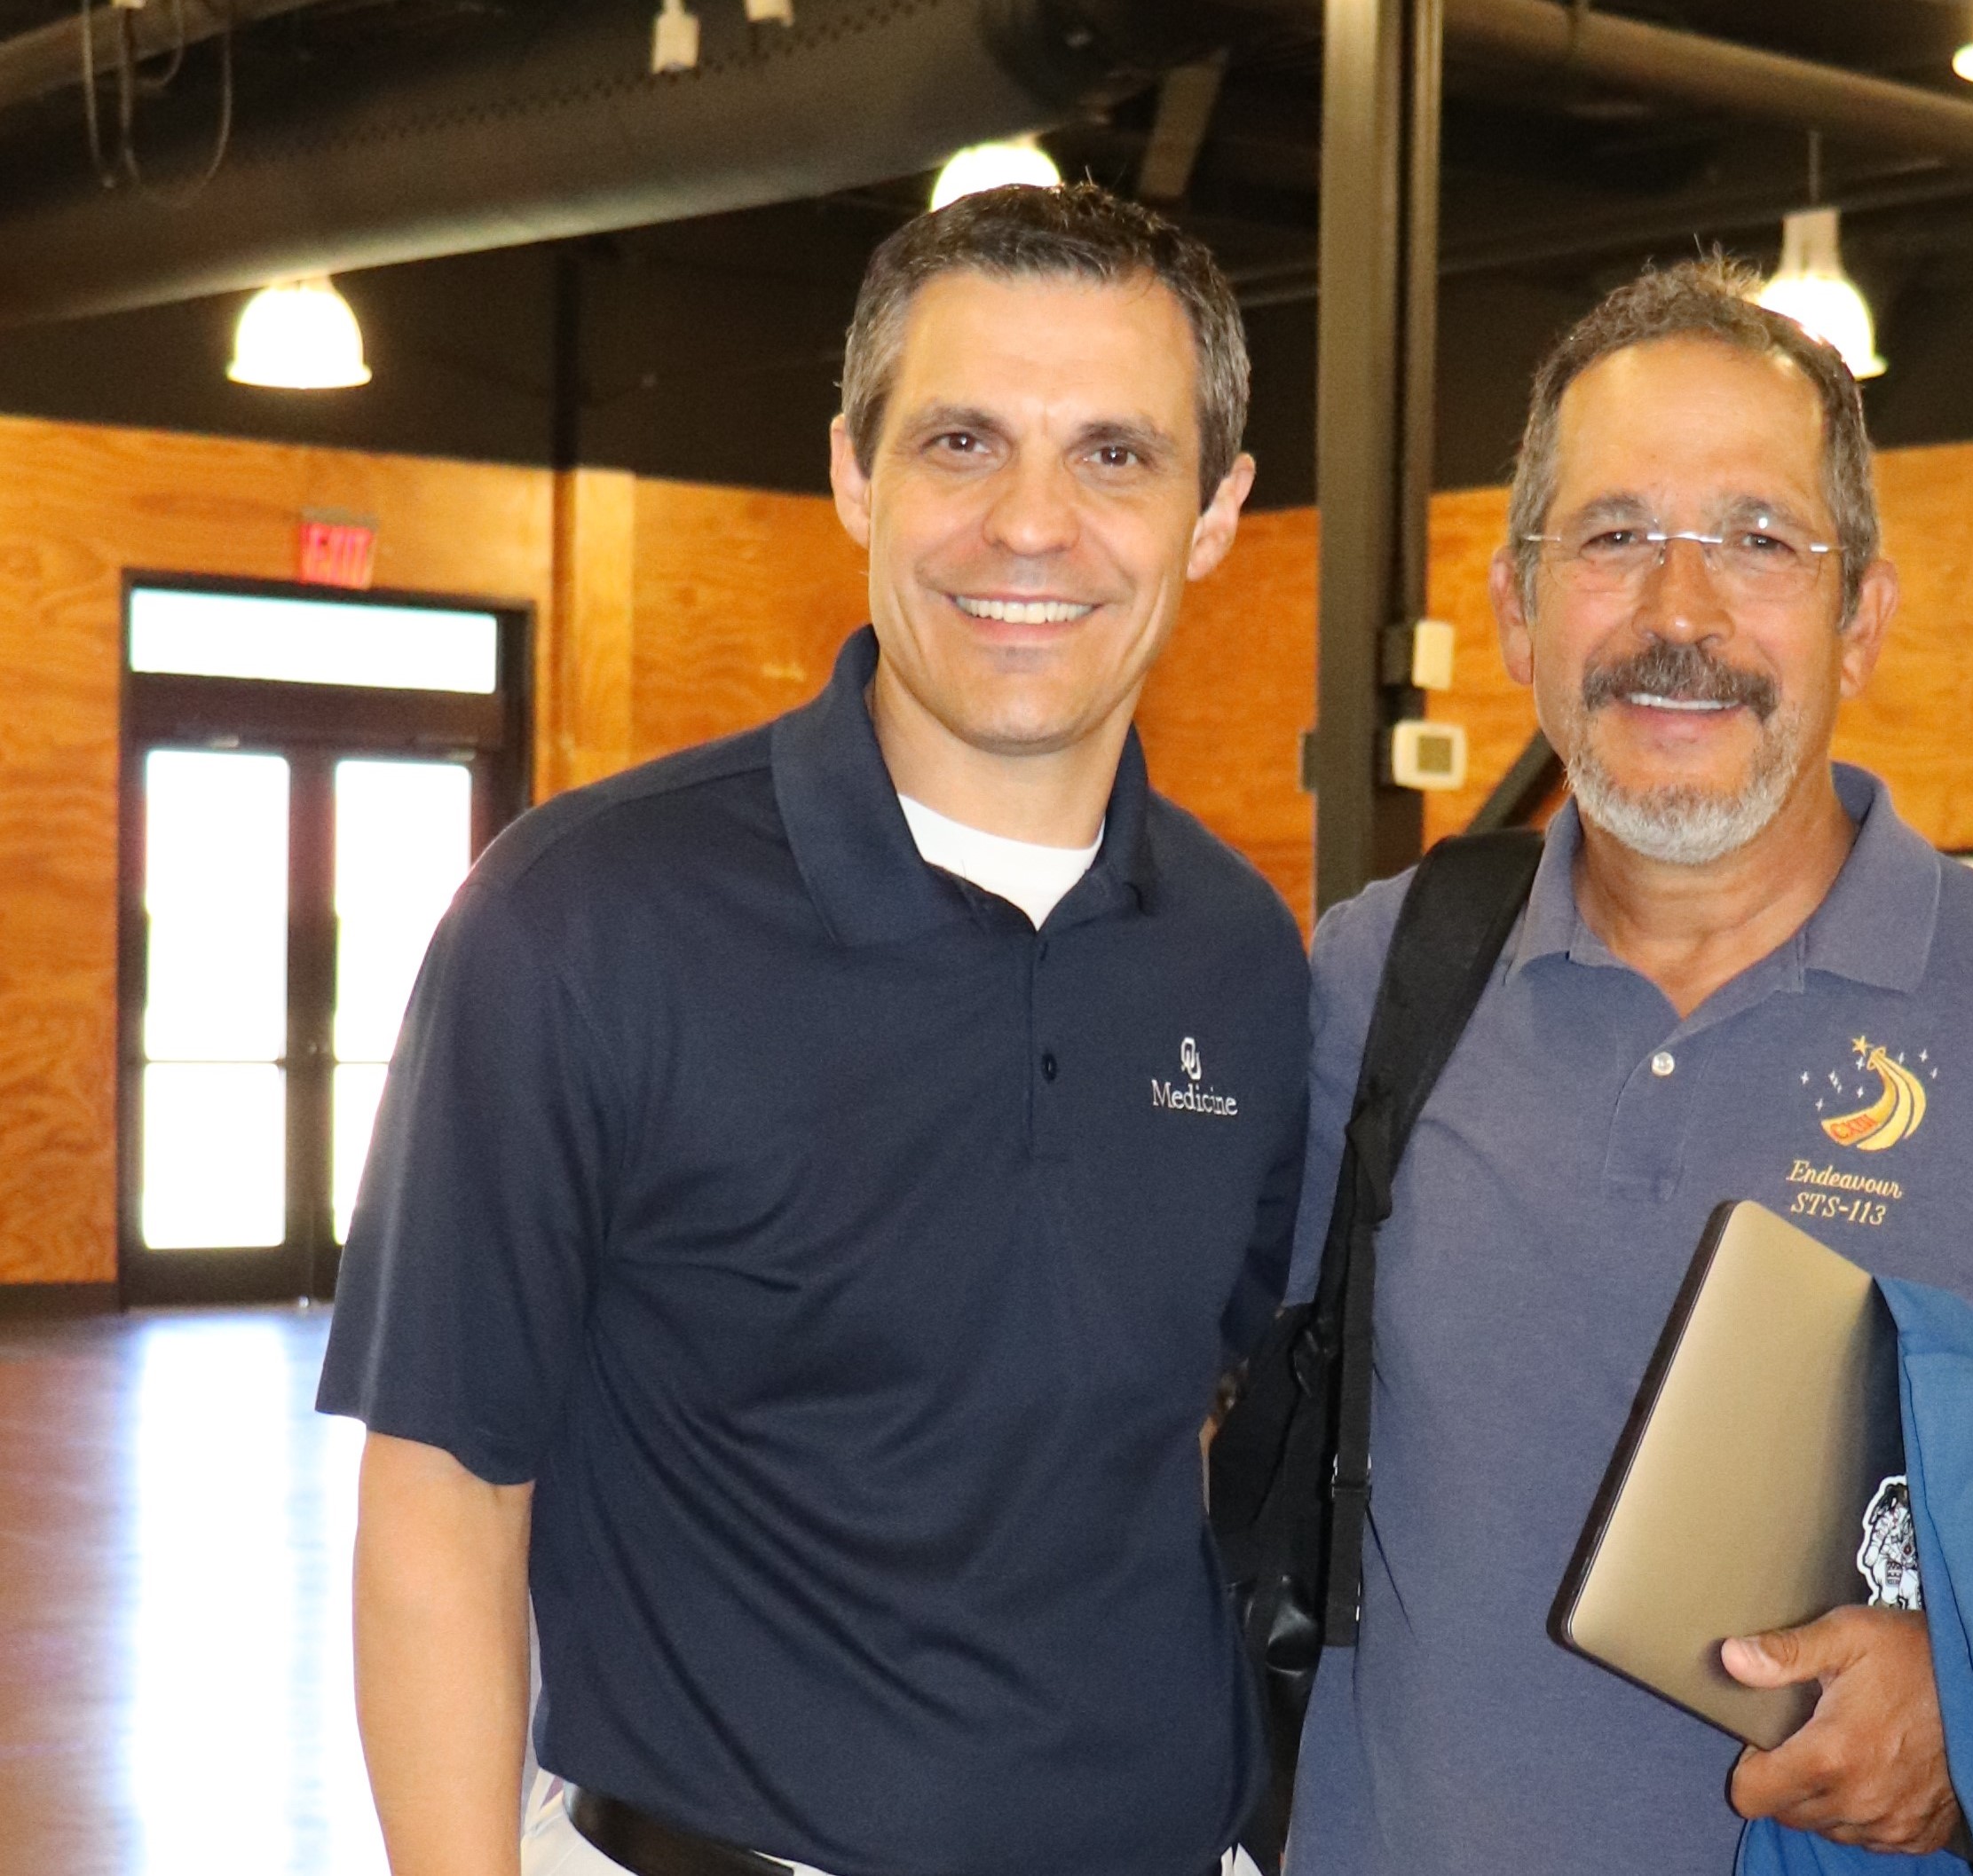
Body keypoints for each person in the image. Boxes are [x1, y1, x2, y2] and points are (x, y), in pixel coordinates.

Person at [1280, 259, 1973, 1875]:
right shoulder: (1376, 982)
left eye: (1758, 541)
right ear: (1519, 609)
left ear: (1861, 617)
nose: (1681, 613)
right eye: (1614, 536)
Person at [318, 184, 1306, 1876]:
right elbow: (440, 1506)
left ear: (1216, 511)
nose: (1031, 524)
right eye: (960, 443)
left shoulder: (1239, 955)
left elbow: (1191, 1416)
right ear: (854, 469)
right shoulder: (577, 920)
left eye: (1117, 457)